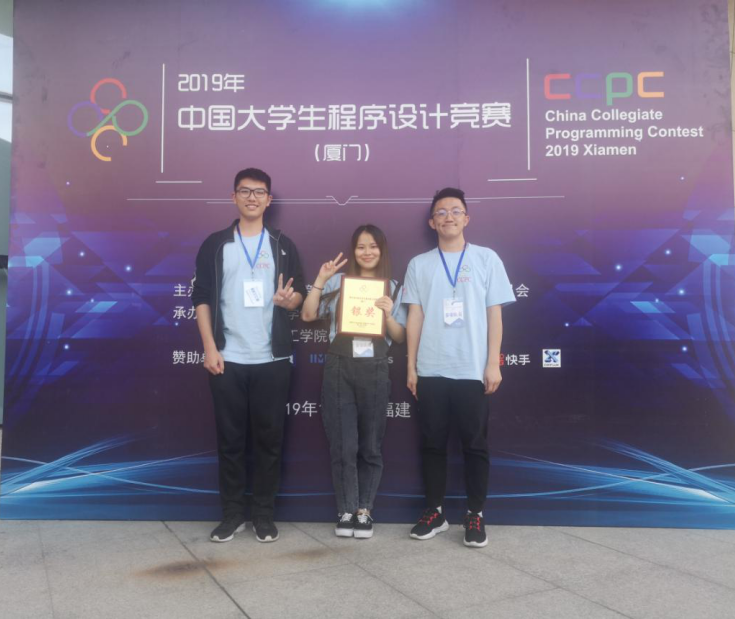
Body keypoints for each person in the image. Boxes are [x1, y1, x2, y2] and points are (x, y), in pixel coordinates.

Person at [191, 168, 306, 543]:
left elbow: (300, 296)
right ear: (234, 197)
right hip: (227, 358)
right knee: (230, 442)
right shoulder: (216, 244)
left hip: (272, 360)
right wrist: (210, 347)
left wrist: (290, 301)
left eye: (259, 192)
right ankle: (232, 515)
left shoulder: (282, 245)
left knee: (269, 443)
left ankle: (263, 515)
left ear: (269, 200)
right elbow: (201, 298)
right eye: (245, 191)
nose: (252, 197)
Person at [402, 188, 515, 548]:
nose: (448, 217)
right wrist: (411, 367)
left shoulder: (486, 259)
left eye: (455, 211)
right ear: (431, 222)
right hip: (431, 369)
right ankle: (435, 512)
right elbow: (414, 316)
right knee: (432, 445)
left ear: (467, 218)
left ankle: (475, 514)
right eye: (441, 212)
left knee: (475, 446)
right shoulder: (419, 264)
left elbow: (494, 314)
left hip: (472, 370)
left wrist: (493, 363)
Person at [301, 225, 406, 539]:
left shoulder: (393, 287)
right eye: (361, 247)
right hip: (339, 365)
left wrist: (388, 315)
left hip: (375, 365)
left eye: (373, 246)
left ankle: (364, 510)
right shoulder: (337, 282)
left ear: (381, 250)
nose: (367, 252)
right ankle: (346, 509)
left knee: (370, 445)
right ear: (353, 251)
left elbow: (400, 337)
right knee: (343, 444)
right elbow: (308, 315)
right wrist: (321, 279)